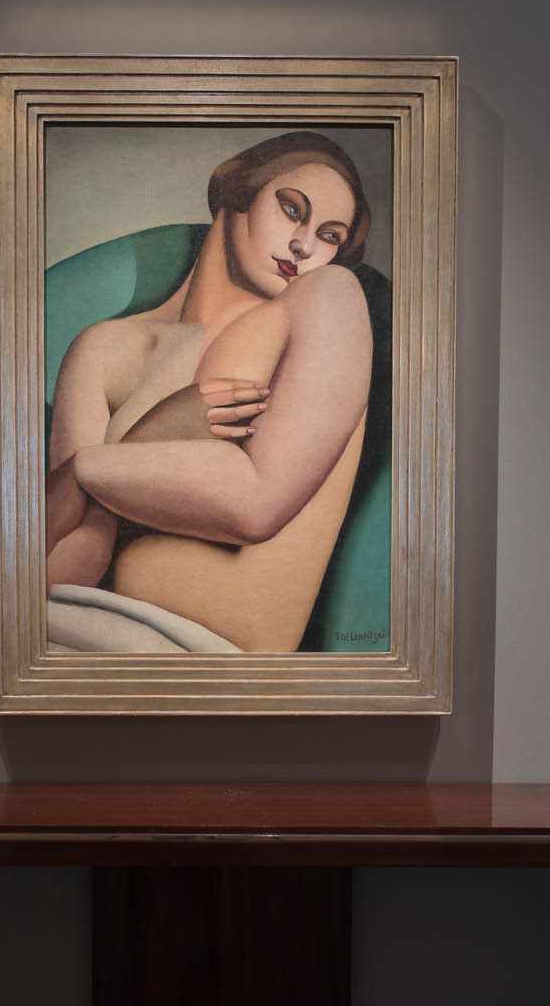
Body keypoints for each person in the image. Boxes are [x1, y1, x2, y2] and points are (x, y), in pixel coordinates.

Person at [44, 132, 375, 653]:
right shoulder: (105, 349)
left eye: (330, 236)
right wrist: (108, 470)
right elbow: (65, 564)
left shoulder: (326, 301)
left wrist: (92, 467)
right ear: (236, 190)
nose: (304, 245)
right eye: (292, 209)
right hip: (74, 626)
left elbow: (254, 506)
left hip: (208, 657)